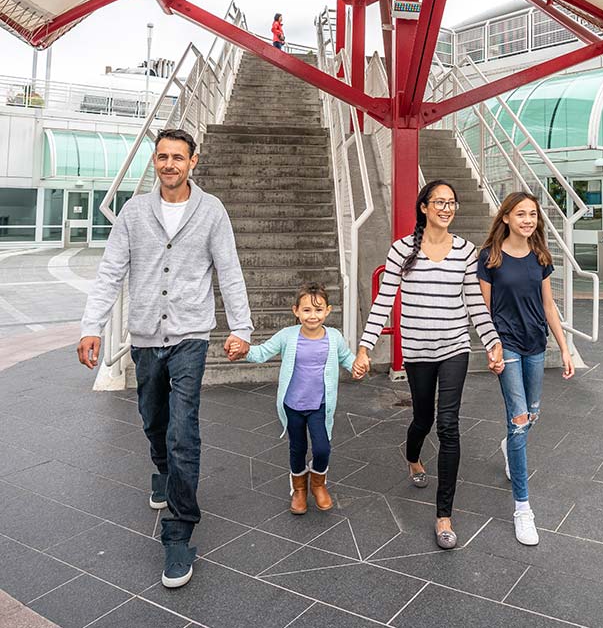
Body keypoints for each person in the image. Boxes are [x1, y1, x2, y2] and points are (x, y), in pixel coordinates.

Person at [77, 128, 252, 588]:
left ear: (194, 161)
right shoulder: (134, 213)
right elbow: (111, 271)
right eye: (162, 157)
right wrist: (90, 326)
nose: (169, 164)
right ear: (154, 162)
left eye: (178, 157)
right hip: (145, 334)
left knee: (183, 429)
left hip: (191, 334)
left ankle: (178, 531)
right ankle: (161, 470)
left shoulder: (211, 211)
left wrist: (241, 328)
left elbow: (229, 270)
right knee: (153, 417)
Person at [353, 180, 502, 549]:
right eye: (439, 202)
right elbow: (383, 301)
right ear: (424, 207)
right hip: (418, 351)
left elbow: (474, 303)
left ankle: (444, 515)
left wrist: (492, 340)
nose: (447, 208)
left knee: (449, 425)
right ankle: (413, 457)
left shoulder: (466, 251)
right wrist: (364, 347)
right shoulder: (402, 251)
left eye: (452, 202)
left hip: (454, 349)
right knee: (423, 418)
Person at [477, 191, 574, 546]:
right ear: (505, 218)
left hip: (536, 345)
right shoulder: (490, 258)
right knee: (519, 421)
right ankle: (522, 509)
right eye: (521, 214)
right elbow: (484, 311)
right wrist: (493, 348)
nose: (528, 220)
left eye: (533, 214)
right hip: (509, 346)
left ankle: (507, 447)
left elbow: (549, 306)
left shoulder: (540, 256)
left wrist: (564, 349)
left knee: (532, 415)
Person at [230, 282, 363, 514]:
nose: (313, 316)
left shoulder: (334, 337)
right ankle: (299, 489)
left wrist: (356, 366)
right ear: (296, 311)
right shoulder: (287, 336)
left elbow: (346, 358)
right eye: (307, 310)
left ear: (328, 310)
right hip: (293, 406)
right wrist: (244, 350)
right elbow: (262, 352)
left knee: (322, 448)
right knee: (297, 448)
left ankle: (318, 484)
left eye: (319, 309)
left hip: (320, 405)